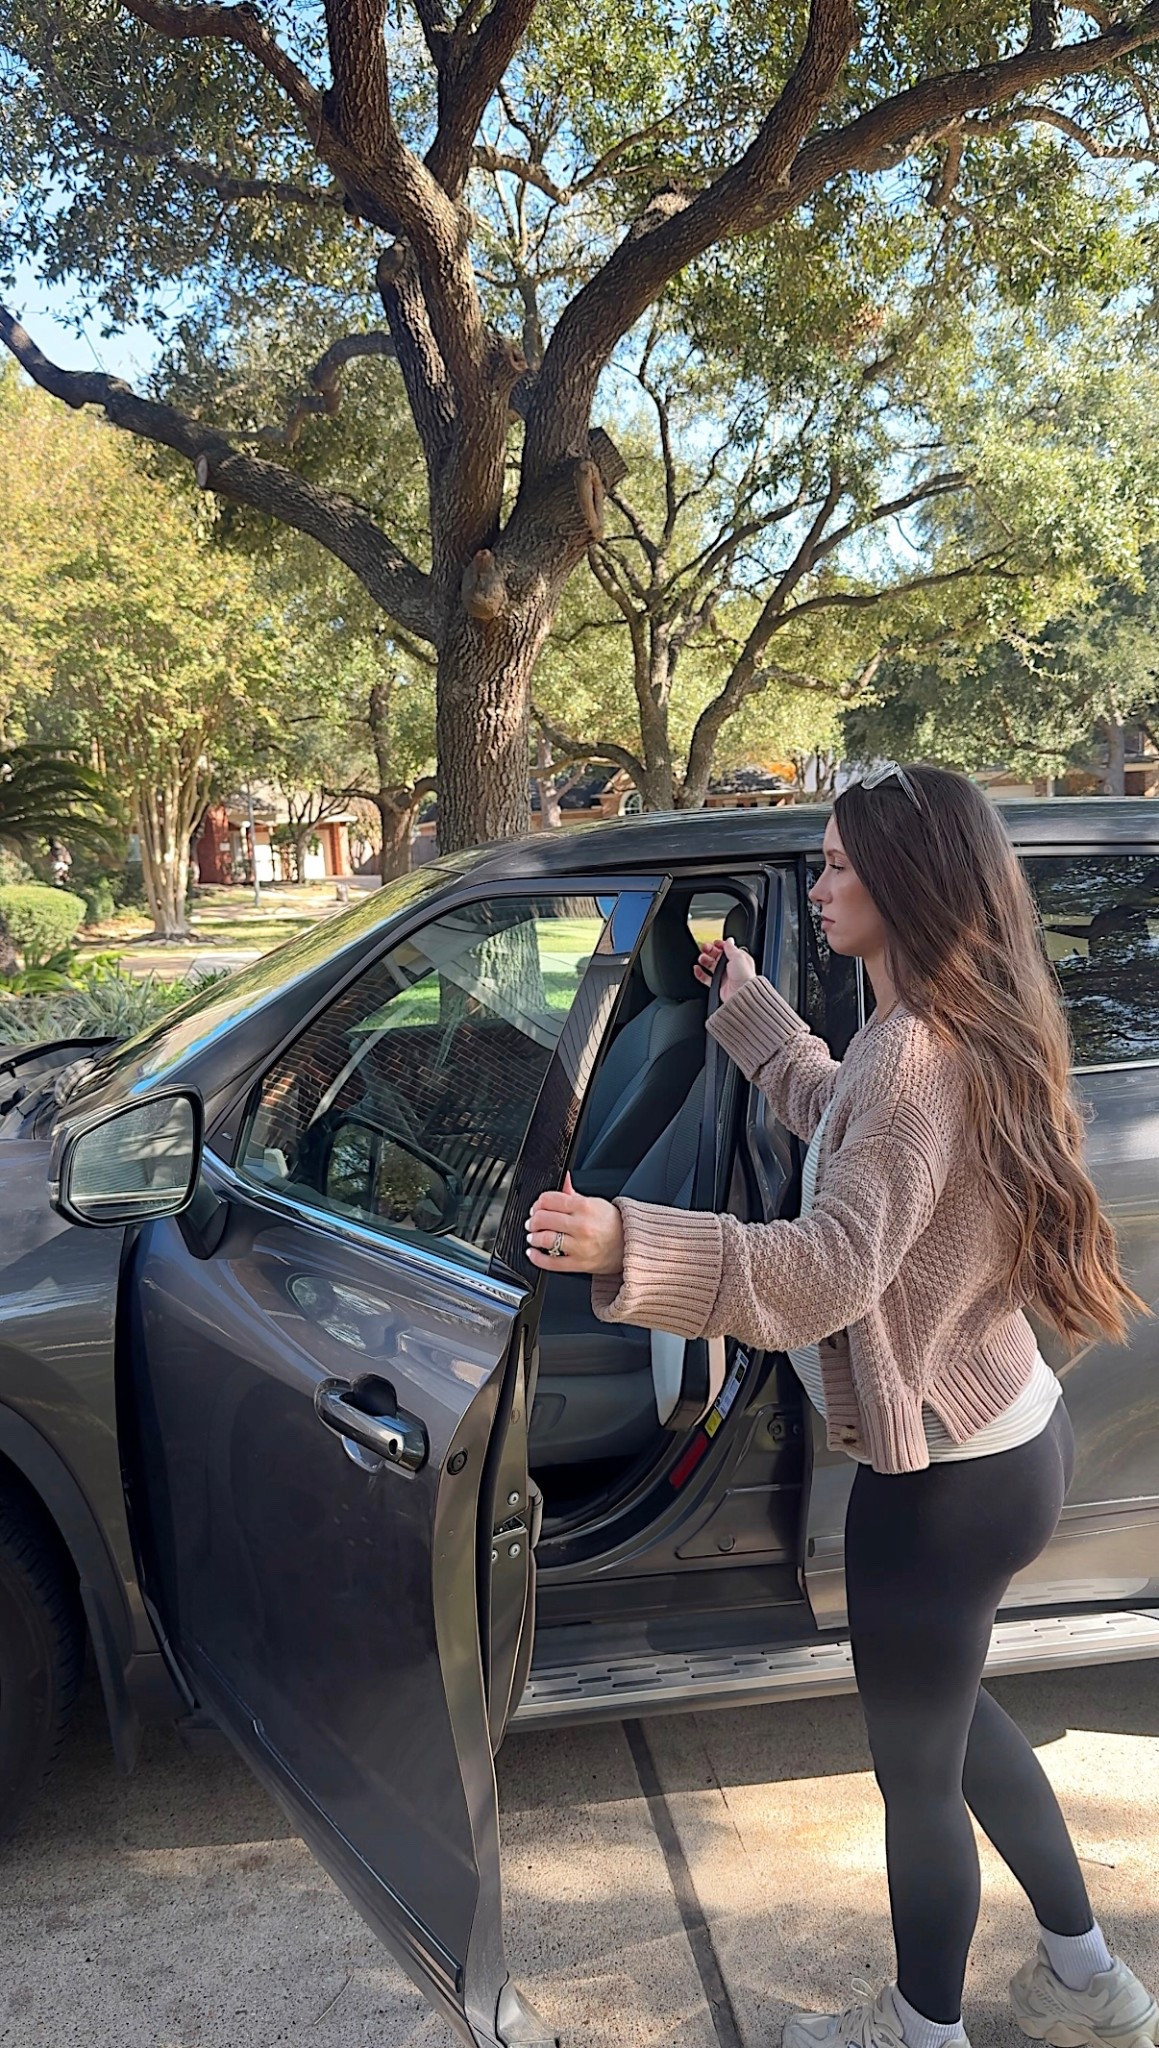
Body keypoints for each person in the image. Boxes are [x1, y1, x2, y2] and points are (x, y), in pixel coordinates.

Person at [526, 763, 1159, 2048]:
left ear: (906, 884)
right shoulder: (932, 1031)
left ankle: (920, 2031)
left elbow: (826, 1268)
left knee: (914, 1768)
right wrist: (753, 1016)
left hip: (942, 1488)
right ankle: (1088, 1981)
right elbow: (845, 1127)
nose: (816, 889)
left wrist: (624, 1243)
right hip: (1007, 1440)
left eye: (833, 868)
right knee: (955, 1718)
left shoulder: (917, 1059)